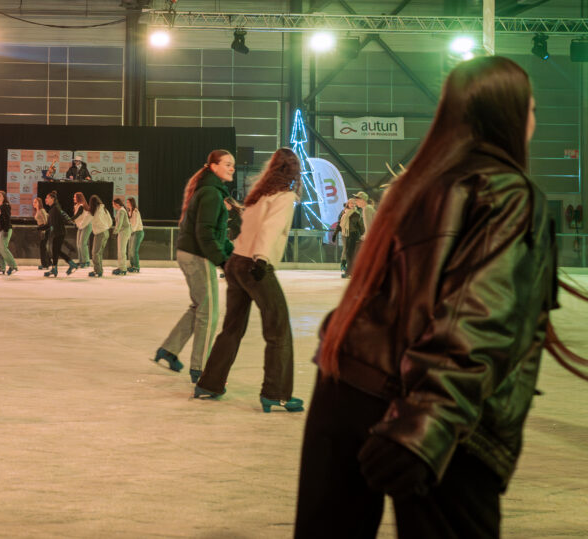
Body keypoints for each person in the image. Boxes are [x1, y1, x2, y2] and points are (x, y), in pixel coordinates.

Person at [294, 56, 568, 538]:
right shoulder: (507, 192)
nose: (533, 120)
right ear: (510, 113)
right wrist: (425, 427)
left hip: (345, 385)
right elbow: (480, 318)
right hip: (426, 412)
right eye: (532, 109)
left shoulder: (415, 185)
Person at [194, 148, 302, 405]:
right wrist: (262, 258)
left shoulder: (259, 196)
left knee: (232, 329)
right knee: (278, 330)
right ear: (294, 171)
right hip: (255, 264)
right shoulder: (285, 197)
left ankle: (209, 383)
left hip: (237, 262)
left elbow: (248, 228)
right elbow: (271, 228)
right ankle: (275, 394)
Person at [153, 150, 235, 380]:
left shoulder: (210, 191)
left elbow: (215, 234)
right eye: (227, 164)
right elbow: (205, 233)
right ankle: (201, 369)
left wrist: (231, 254)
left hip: (189, 253)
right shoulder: (211, 193)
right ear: (214, 166)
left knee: (199, 307)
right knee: (209, 313)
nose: (232, 168)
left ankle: (169, 349)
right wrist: (223, 262)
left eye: (233, 165)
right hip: (198, 256)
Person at [44, 192, 79, 277]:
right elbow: (49, 224)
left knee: (56, 251)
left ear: (52, 199)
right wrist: (40, 228)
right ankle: (56, 268)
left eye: (47, 198)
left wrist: (70, 222)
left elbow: (62, 217)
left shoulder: (55, 208)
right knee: (56, 251)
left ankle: (70, 264)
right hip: (57, 233)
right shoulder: (53, 209)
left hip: (59, 233)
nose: (46, 199)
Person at [0, 191, 18, 275]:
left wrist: (6, 230)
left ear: (4, 197)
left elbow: (7, 218)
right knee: (0, 249)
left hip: (5, 229)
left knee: (3, 249)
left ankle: (13, 266)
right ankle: (1, 267)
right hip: (1, 230)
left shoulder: (5, 206)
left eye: (0, 195)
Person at [87, 195, 113, 278]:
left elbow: (90, 220)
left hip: (100, 233)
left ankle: (98, 271)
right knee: (99, 253)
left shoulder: (95, 211)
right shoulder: (104, 209)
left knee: (95, 253)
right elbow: (110, 221)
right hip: (106, 232)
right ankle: (99, 270)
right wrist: (106, 227)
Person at [112, 197, 131, 276]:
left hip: (124, 232)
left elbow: (119, 223)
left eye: (113, 204)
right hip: (123, 232)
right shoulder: (121, 210)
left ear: (116, 204)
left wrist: (115, 232)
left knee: (121, 251)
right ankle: (121, 267)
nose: (113, 206)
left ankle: (123, 268)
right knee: (121, 250)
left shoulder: (121, 211)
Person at [73, 192, 92, 268]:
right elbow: (76, 218)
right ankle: (81, 261)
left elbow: (77, 215)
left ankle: (86, 261)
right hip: (80, 226)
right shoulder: (76, 206)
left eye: (75, 197)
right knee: (78, 244)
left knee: (82, 243)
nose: (74, 198)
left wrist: (67, 219)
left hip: (86, 225)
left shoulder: (81, 206)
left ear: (79, 198)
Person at [127, 197, 144, 273]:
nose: (127, 204)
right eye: (127, 202)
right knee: (130, 251)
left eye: (128, 202)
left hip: (138, 232)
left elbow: (135, 224)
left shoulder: (135, 211)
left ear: (132, 203)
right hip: (132, 232)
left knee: (134, 250)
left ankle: (136, 267)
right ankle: (132, 265)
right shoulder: (130, 212)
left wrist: (130, 231)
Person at [33, 196, 51, 270]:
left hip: (44, 229)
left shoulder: (42, 210)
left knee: (43, 247)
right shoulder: (38, 211)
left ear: (39, 203)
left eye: (35, 202)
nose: (34, 203)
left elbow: (46, 221)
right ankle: (48, 262)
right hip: (41, 229)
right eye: (33, 202)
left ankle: (45, 264)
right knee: (43, 247)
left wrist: (43, 230)